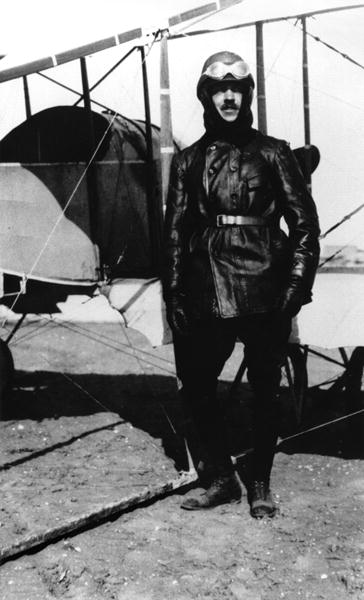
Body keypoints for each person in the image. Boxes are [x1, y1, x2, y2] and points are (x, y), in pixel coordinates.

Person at [162, 51, 320, 518]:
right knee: (195, 383)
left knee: (265, 388)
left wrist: (294, 291)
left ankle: (261, 484)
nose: (228, 97)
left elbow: (305, 228)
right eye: (218, 89)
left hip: (265, 289)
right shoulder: (189, 161)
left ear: (247, 94)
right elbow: (174, 231)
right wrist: (174, 295)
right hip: (206, 287)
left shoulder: (274, 153)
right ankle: (221, 479)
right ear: (206, 95)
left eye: (237, 89)